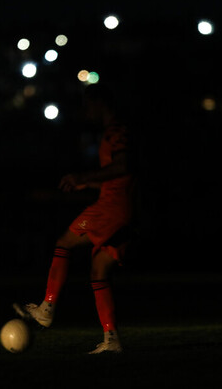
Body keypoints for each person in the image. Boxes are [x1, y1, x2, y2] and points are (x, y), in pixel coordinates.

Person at [14, 82, 136, 354]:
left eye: (88, 105)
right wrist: (88, 185)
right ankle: (111, 339)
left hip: (111, 209)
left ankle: (47, 308)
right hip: (122, 209)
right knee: (98, 271)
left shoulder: (116, 131)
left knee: (64, 242)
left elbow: (123, 166)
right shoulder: (114, 131)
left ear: (99, 104)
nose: (86, 111)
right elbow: (122, 176)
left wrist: (84, 177)